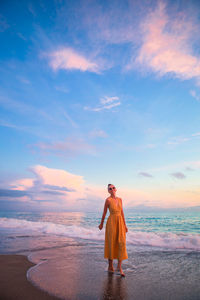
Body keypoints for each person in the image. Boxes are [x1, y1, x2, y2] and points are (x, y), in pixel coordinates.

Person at [98, 184, 128, 277]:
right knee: (111, 243)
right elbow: (104, 213)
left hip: (120, 223)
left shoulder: (120, 199)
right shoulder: (108, 200)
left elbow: (122, 212)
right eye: (110, 188)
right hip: (111, 223)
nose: (112, 189)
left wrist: (125, 225)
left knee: (121, 243)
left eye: (113, 188)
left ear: (116, 189)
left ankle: (119, 267)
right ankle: (110, 266)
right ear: (108, 191)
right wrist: (101, 223)